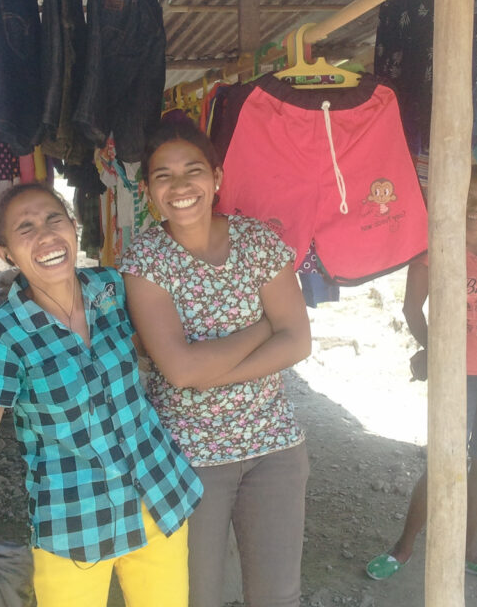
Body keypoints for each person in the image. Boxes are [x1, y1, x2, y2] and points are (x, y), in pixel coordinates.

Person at [0, 184, 203, 607]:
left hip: (159, 496)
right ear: (4, 252)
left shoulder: (111, 289)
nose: (45, 235)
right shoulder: (1, 340)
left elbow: (165, 347)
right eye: (26, 228)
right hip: (75, 522)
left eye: (53, 219)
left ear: (74, 227)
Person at [119, 118, 312, 607]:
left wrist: (208, 374)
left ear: (217, 177)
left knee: (277, 597)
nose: (181, 187)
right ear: (147, 190)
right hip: (187, 458)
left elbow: (299, 343)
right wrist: (264, 327)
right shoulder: (145, 260)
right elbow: (180, 371)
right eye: (163, 175)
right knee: (194, 598)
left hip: (274, 448)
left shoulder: (257, 241)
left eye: (193, 170)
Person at [366, 164, 477, 585]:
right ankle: (403, 549)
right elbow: (412, 310)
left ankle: (471, 553)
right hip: (458, 373)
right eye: (469, 198)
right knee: (443, 461)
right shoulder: (433, 249)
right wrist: (434, 352)